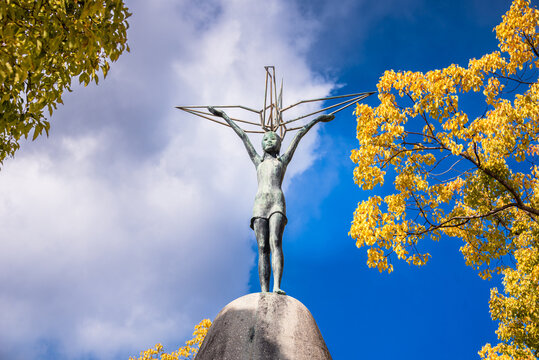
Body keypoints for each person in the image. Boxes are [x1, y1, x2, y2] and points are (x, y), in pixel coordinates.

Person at [208, 106, 334, 294]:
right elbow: (242, 135)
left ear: (279, 143)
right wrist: (224, 115)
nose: (268, 140)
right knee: (262, 247)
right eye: (265, 139)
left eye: (272, 138)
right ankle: (264, 290)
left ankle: (276, 286)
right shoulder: (258, 161)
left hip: (276, 202)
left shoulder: (281, 161)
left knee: (275, 240)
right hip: (259, 204)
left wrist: (316, 120)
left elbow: (299, 134)